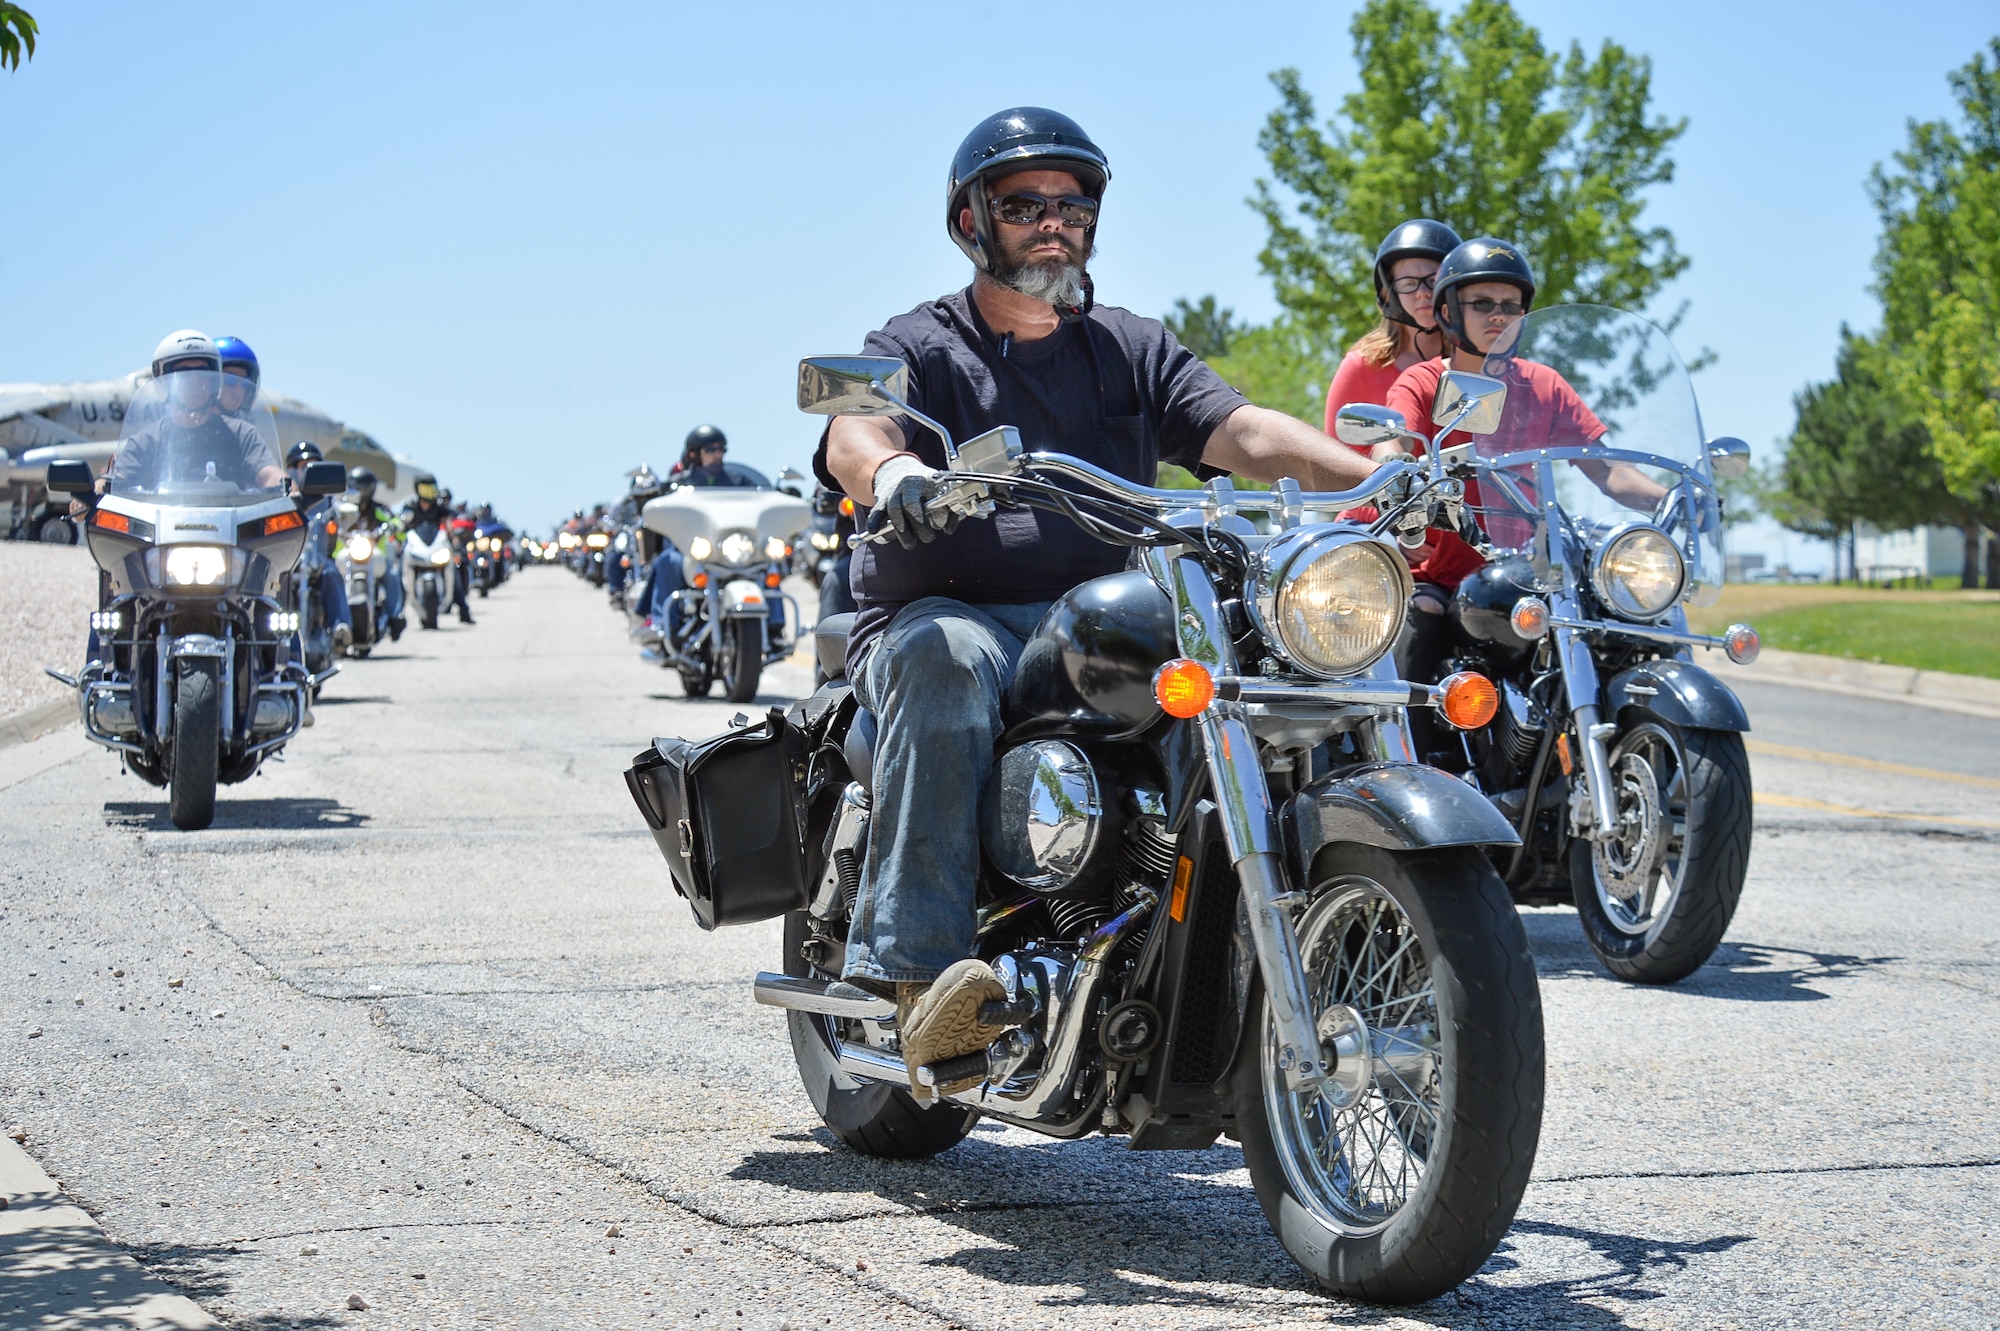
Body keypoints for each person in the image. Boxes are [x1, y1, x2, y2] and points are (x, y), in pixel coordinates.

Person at [813, 107, 1381, 1094]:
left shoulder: (1129, 346)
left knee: (1257, 655)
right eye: (1023, 203)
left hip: (1098, 616)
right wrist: (896, 473)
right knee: (939, 661)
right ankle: (919, 978)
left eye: (1072, 204)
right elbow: (852, 431)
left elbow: (1238, 430)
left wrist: (1370, 479)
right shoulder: (916, 342)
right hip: (951, 615)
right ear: (969, 222)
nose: (1053, 222)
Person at [1376, 237, 1668, 681]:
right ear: (1450, 312)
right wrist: (1396, 471)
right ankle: (1414, 750)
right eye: (1483, 303)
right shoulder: (1423, 381)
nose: (1499, 315)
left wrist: (1673, 498)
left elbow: (1608, 470)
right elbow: (1392, 441)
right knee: (1420, 621)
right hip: (1445, 575)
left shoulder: (1543, 384)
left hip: (1533, 570)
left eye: (1511, 307)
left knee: (1623, 619)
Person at [1323, 219, 1461, 436]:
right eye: (1408, 283)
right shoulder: (1362, 367)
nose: (1422, 292)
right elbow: (1335, 456)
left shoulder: (1473, 363)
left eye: (1433, 281)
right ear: (1390, 293)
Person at [107, 331, 283, 492]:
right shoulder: (145, 442)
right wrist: (96, 490)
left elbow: (269, 474)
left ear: (215, 380)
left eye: (202, 373)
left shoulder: (242, 435)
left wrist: (291, 489)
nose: (195, 382)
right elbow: (116, 480)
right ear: (163, 382)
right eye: (183, 374)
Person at [288, 442, 353, 655]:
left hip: (316, 560)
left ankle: (340, 627)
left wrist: (341, 515)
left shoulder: (327, 500)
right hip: (289, 563)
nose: (308, 471)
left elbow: (341, 512)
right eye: (303, 466)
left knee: (332, 572)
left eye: (314, 466)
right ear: (292, 469)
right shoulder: (281, 498)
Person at [342, 466, 406, 639]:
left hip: (375, 555)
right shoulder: (344, 510)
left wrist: (397, 525)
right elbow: (332, 519)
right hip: (348, 555)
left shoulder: (379, 509)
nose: (359, 492)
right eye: (355, 487)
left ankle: (395, 617)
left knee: (392, 576)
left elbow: (394, 522)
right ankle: (337, 621)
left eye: (362, 488)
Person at [668, 425, 753, 487]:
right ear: (693, 454)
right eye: (710, 450)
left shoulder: (740, 483)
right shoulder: (678, 484)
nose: (718, 454)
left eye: (721, 449)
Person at [215, 336, 261, 419]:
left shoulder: (245, 431)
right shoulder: (185, 427)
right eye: (230, 380)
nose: (239, 391)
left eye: (245, 384)